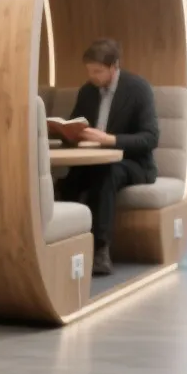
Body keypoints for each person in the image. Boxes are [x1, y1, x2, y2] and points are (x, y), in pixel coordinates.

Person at [55, 39, 159, 276]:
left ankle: (101, 249)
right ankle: (65, 245)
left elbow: (150, 139)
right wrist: (68, 132)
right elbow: (75, 124)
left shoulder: (138, 89)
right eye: (89, 71)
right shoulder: (87, 91)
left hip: (132, 163)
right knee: (67, 182)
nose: (92, 77)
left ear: (114, 67)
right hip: (93, 160)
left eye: (98, 71)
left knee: (107, 173)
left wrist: (108, 139)